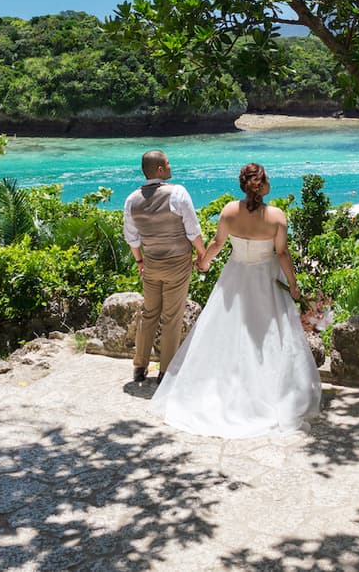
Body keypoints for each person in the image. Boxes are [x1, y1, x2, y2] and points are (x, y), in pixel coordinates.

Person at [151, 163, 322, 438]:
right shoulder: (277, 217)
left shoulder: (230, 210)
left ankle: (229, 388)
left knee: (227, 336)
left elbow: (217, 244)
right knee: (267, 339)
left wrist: (204, 262)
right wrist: (293, 284)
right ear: (263, 185)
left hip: (235, 278)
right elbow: (282, 254)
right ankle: (266, 392)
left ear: (244, 186)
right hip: (266, 280)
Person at [123, 149, 207, 384]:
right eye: (168, 163)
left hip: (150, 263)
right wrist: (202, 255)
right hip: (177, 264)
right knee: (172, 316)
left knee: (148, 313)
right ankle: (165, 372)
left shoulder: (132, 199)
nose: (171, 167)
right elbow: (193, 230)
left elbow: (132, 238)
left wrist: (140, 261)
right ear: (160, 169)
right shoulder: (177, 193)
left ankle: (139, 367)